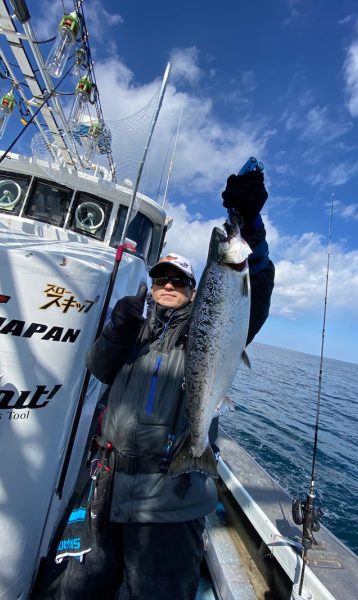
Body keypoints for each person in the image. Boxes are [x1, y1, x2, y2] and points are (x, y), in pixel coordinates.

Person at [59, 169, 275, 600]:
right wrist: (116, 332)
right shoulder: (133, 328)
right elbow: (97, 368)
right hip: (106, 488)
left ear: (196, 291)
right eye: (161, 279)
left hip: (168, 503)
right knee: (80, 590)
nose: (169, 286)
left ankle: (197, 458)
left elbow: (257, 286)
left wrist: (250, 227)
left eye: (179, 281)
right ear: (151, 286)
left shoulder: (207, 324)